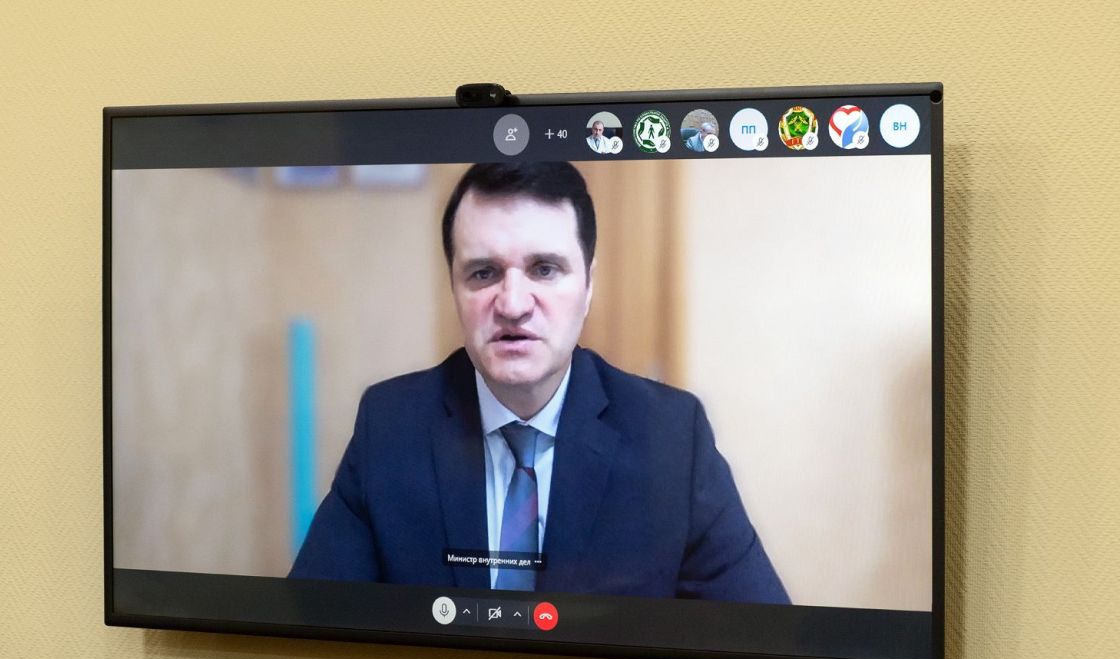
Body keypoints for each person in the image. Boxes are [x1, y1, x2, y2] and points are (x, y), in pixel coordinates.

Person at [290, 162, 789, 603]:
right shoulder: (390, 426)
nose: (512, 304)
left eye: (544, 269)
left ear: (588, 285)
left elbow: (759, 638)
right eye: (483, 273)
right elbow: (313, 624)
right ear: (454, 288)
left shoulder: (673, 436)